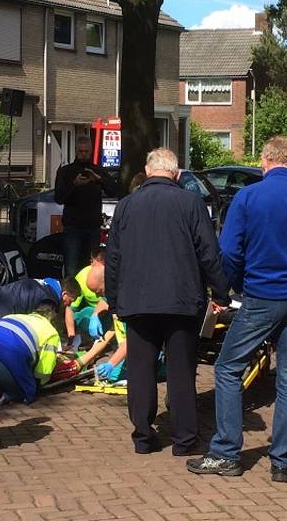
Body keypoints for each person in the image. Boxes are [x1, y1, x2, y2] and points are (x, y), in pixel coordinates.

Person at [187, 136, 287, 482]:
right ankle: (282, 461)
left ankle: (226, 452)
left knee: (227, 369)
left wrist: (236, 285)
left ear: (265, 161)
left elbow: (229, 252)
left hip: (260, 297)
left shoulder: (248, 198)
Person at [107, 147, 229, 456]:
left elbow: (113, 258)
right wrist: (222, 292)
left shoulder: (125, 206)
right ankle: (185, 439)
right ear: (175, 174)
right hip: (182, 299)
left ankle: (143, 437)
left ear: (148, 171)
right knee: (181, 371)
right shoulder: (191, 203)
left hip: (137, 300)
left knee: (141, 369)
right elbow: (208, 252)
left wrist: (113, 299)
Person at [53, 135, 116, 281]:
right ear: (76, 151)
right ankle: (70, 299)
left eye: (86, 151)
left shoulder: (97, 170)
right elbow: (59, 198)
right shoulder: (66, 171)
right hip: (73, 226)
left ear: (91, 151)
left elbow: (114, 190)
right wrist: (74, 185)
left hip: (92, 226)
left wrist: (99, 179)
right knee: (71, 267)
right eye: (80, 151)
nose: (83, 154)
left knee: (91, 267)